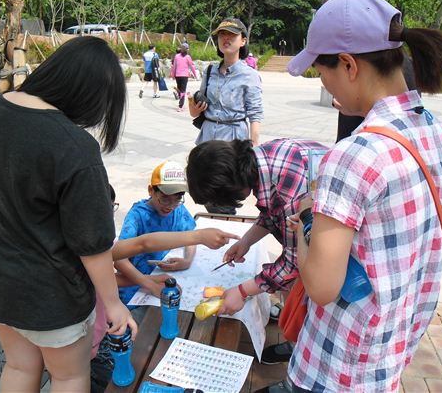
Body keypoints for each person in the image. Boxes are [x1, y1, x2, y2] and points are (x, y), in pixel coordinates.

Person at [259, 0, 442, 392]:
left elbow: (320, 286)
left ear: (349, 65)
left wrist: (304, 221)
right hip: (391, 347)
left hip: (337, 364)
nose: (326, 85)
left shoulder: (354, 155)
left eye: (323, 72)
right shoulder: (438, 134)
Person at [0, 36, 136, 392]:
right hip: (49, 295)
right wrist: (113, 304)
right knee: (69, 376)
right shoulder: (73, 146)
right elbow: (91, 243)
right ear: (89, 96)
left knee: (19, 367)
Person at [90, 184, 239, 393]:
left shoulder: (92, 243)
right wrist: (198, 237)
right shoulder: (82, 246)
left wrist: (151, 280)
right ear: (152, 191)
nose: (171, 205)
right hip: (86, 338)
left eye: (110, 209)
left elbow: (104, 277)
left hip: (97, 333)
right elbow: (142, 244)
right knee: (104, 378)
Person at [186, 138, 326, 320]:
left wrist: (242, 291)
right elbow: (272, 212)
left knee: (309, 312)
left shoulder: (289, 192)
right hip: (316, 238)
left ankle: (295, 342)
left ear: (232, 188)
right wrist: (246, 241)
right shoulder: (262, 158)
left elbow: (295, 261)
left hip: (343, 261)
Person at [188, 17, 264, 214]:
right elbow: (195, 112)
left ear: (243, 41)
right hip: (208, 136)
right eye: (222, 35)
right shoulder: (210, 70)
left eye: (232, 35)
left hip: (233, 140)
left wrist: (253, 149)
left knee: (227, 194)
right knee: (207, 190)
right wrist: (195, 104)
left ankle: (223, 234)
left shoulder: (250, 75)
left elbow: (255, 114)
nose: (226, 39)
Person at [114, 161, 198, 311]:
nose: (170, 206)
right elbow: (118, 259)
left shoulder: (178, 209)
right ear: (151, 190)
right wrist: (151, 286)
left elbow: (191, 236)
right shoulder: (137, 216)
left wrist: (187, 261)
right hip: (133, 285)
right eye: (165, 198)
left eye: (177, 198)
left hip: (160, 279)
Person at [171, 42, 197, 112]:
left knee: (181, 90)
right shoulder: (186, 57)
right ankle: (180, 104)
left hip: (179, 76)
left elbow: (174, 67)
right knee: (181, 91)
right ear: (187, 49)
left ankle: (180, 104)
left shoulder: (178, 56)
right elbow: (192, 67)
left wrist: (173, 75)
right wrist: (195, 75)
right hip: (183, 76)